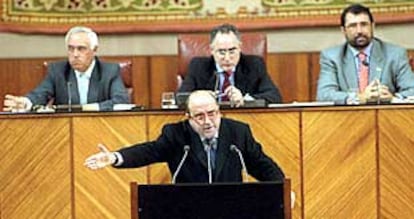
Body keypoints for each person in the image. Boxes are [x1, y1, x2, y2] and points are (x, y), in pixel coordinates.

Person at [84, 90, 285, 183]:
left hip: (232, 209)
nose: (207, 121)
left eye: (212, 113)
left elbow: (261, 164)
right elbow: (149, 151)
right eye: (199, 116)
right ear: (188, 117)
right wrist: (115, 157)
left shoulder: (238, 132)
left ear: (219, 111)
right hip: (187, 209)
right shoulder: (176, 134)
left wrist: (283, 191)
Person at [3, 26, 130, 112]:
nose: (75, 54)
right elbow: (40, 94)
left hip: (102, 127)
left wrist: (87, 108)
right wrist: (25, 102)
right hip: (65, 131)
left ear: (94, 50)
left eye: (81, 49)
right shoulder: (57, 70)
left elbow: (121, 101)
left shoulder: (110, 71)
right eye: (71, 48)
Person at [316, 4, 414, 105]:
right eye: (353, 26)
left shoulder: (395, 54)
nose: (359, 31)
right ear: (343, 30)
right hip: (347, 118)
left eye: (364, 24)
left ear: (372, 26)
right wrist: (359, 98)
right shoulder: (332, 57)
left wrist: (393, 98)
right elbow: (324, 95)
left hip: (386, 117)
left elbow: (412, 90)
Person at [178, 23, 282, 107]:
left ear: (240, 48)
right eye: (221, 52)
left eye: (232, 51)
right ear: (212, 50)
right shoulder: (198, 66)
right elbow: (180, 98)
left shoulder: (254, 65)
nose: (227, 58)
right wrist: (202, 98)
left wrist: (245, 100)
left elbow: (275, 97)